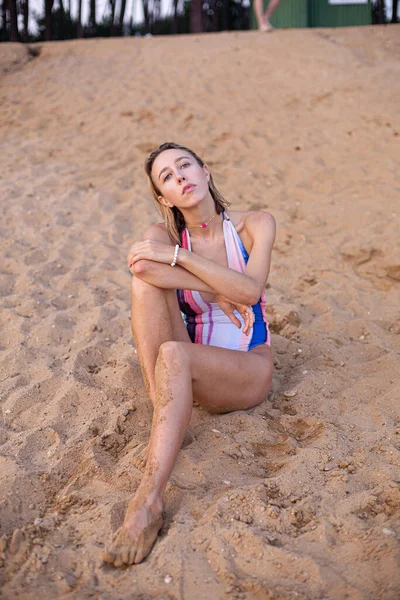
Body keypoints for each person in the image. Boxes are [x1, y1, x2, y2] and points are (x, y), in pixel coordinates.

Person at [103, 142, 276, 567]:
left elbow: (250, 291)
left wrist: (178, 260)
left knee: (177, 357)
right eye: (167, 176)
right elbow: (142, 266)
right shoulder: (161, 235)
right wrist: (216, 287)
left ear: (206, 171)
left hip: (246, 364)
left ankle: (148, 502)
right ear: (165, 198)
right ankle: (166, 400)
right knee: (144, 284)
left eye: (185, 165)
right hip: (191, 351)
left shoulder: (255, 224)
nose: (180, 176)